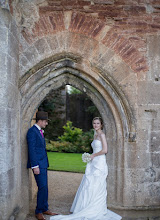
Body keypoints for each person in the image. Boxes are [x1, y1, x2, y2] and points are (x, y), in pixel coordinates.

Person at [50, 117, 122, 220]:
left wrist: (93, 155)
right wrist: (90, 157)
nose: (96, 125)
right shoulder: (95, 134)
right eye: (94, 123)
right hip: (93, 162)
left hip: (99, 163)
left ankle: (96, 208)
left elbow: (105, 150)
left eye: (97, 123)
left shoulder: (102, 135)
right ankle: (85, 206)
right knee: (88, 184)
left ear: (101, 125)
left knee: (97, 185)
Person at [27, 111, 58, 220]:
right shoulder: (32, 132)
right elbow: (32, 150)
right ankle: (38, 211)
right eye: (45, 121)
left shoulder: (39, 131)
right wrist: (35, 166)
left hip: (43, 163)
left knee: (45, 187)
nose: (46, 123)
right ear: (40, 121)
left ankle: (45, 208)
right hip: (38, 165)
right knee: (42, 187)